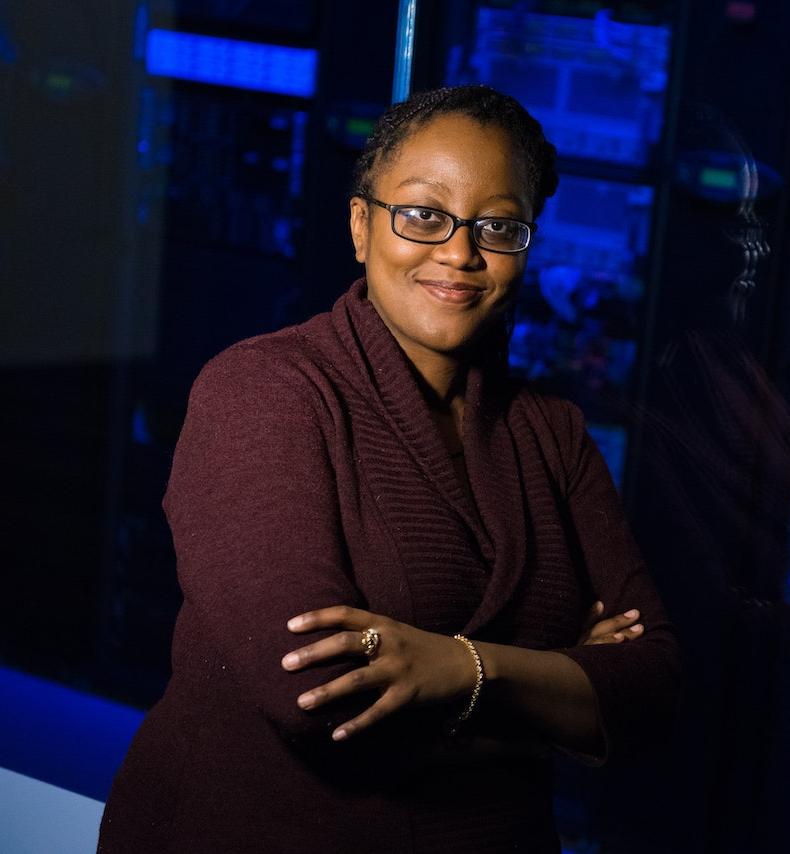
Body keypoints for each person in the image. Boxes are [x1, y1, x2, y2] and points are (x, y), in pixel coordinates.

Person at [97, 84, 680, 853]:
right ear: (361, 225)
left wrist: (455, 667)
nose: (460, 252)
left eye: (498, 226)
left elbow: (656, 690)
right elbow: (316, 700)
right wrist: (559, 682)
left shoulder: (552, 433)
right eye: (423, 214)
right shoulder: (264, 393)